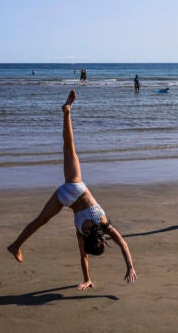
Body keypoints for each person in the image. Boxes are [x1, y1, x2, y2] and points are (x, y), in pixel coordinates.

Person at [7, 91, 136, 290]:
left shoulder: (103, 224)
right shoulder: (81, 233)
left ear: (100, 239)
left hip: (76, 187)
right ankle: (15, 245)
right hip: (65, 198)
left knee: (69, 147)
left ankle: (67, 112)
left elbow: (124, 245)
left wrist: (131, 266)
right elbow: (82, 255)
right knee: (40, 221)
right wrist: (87, 279)